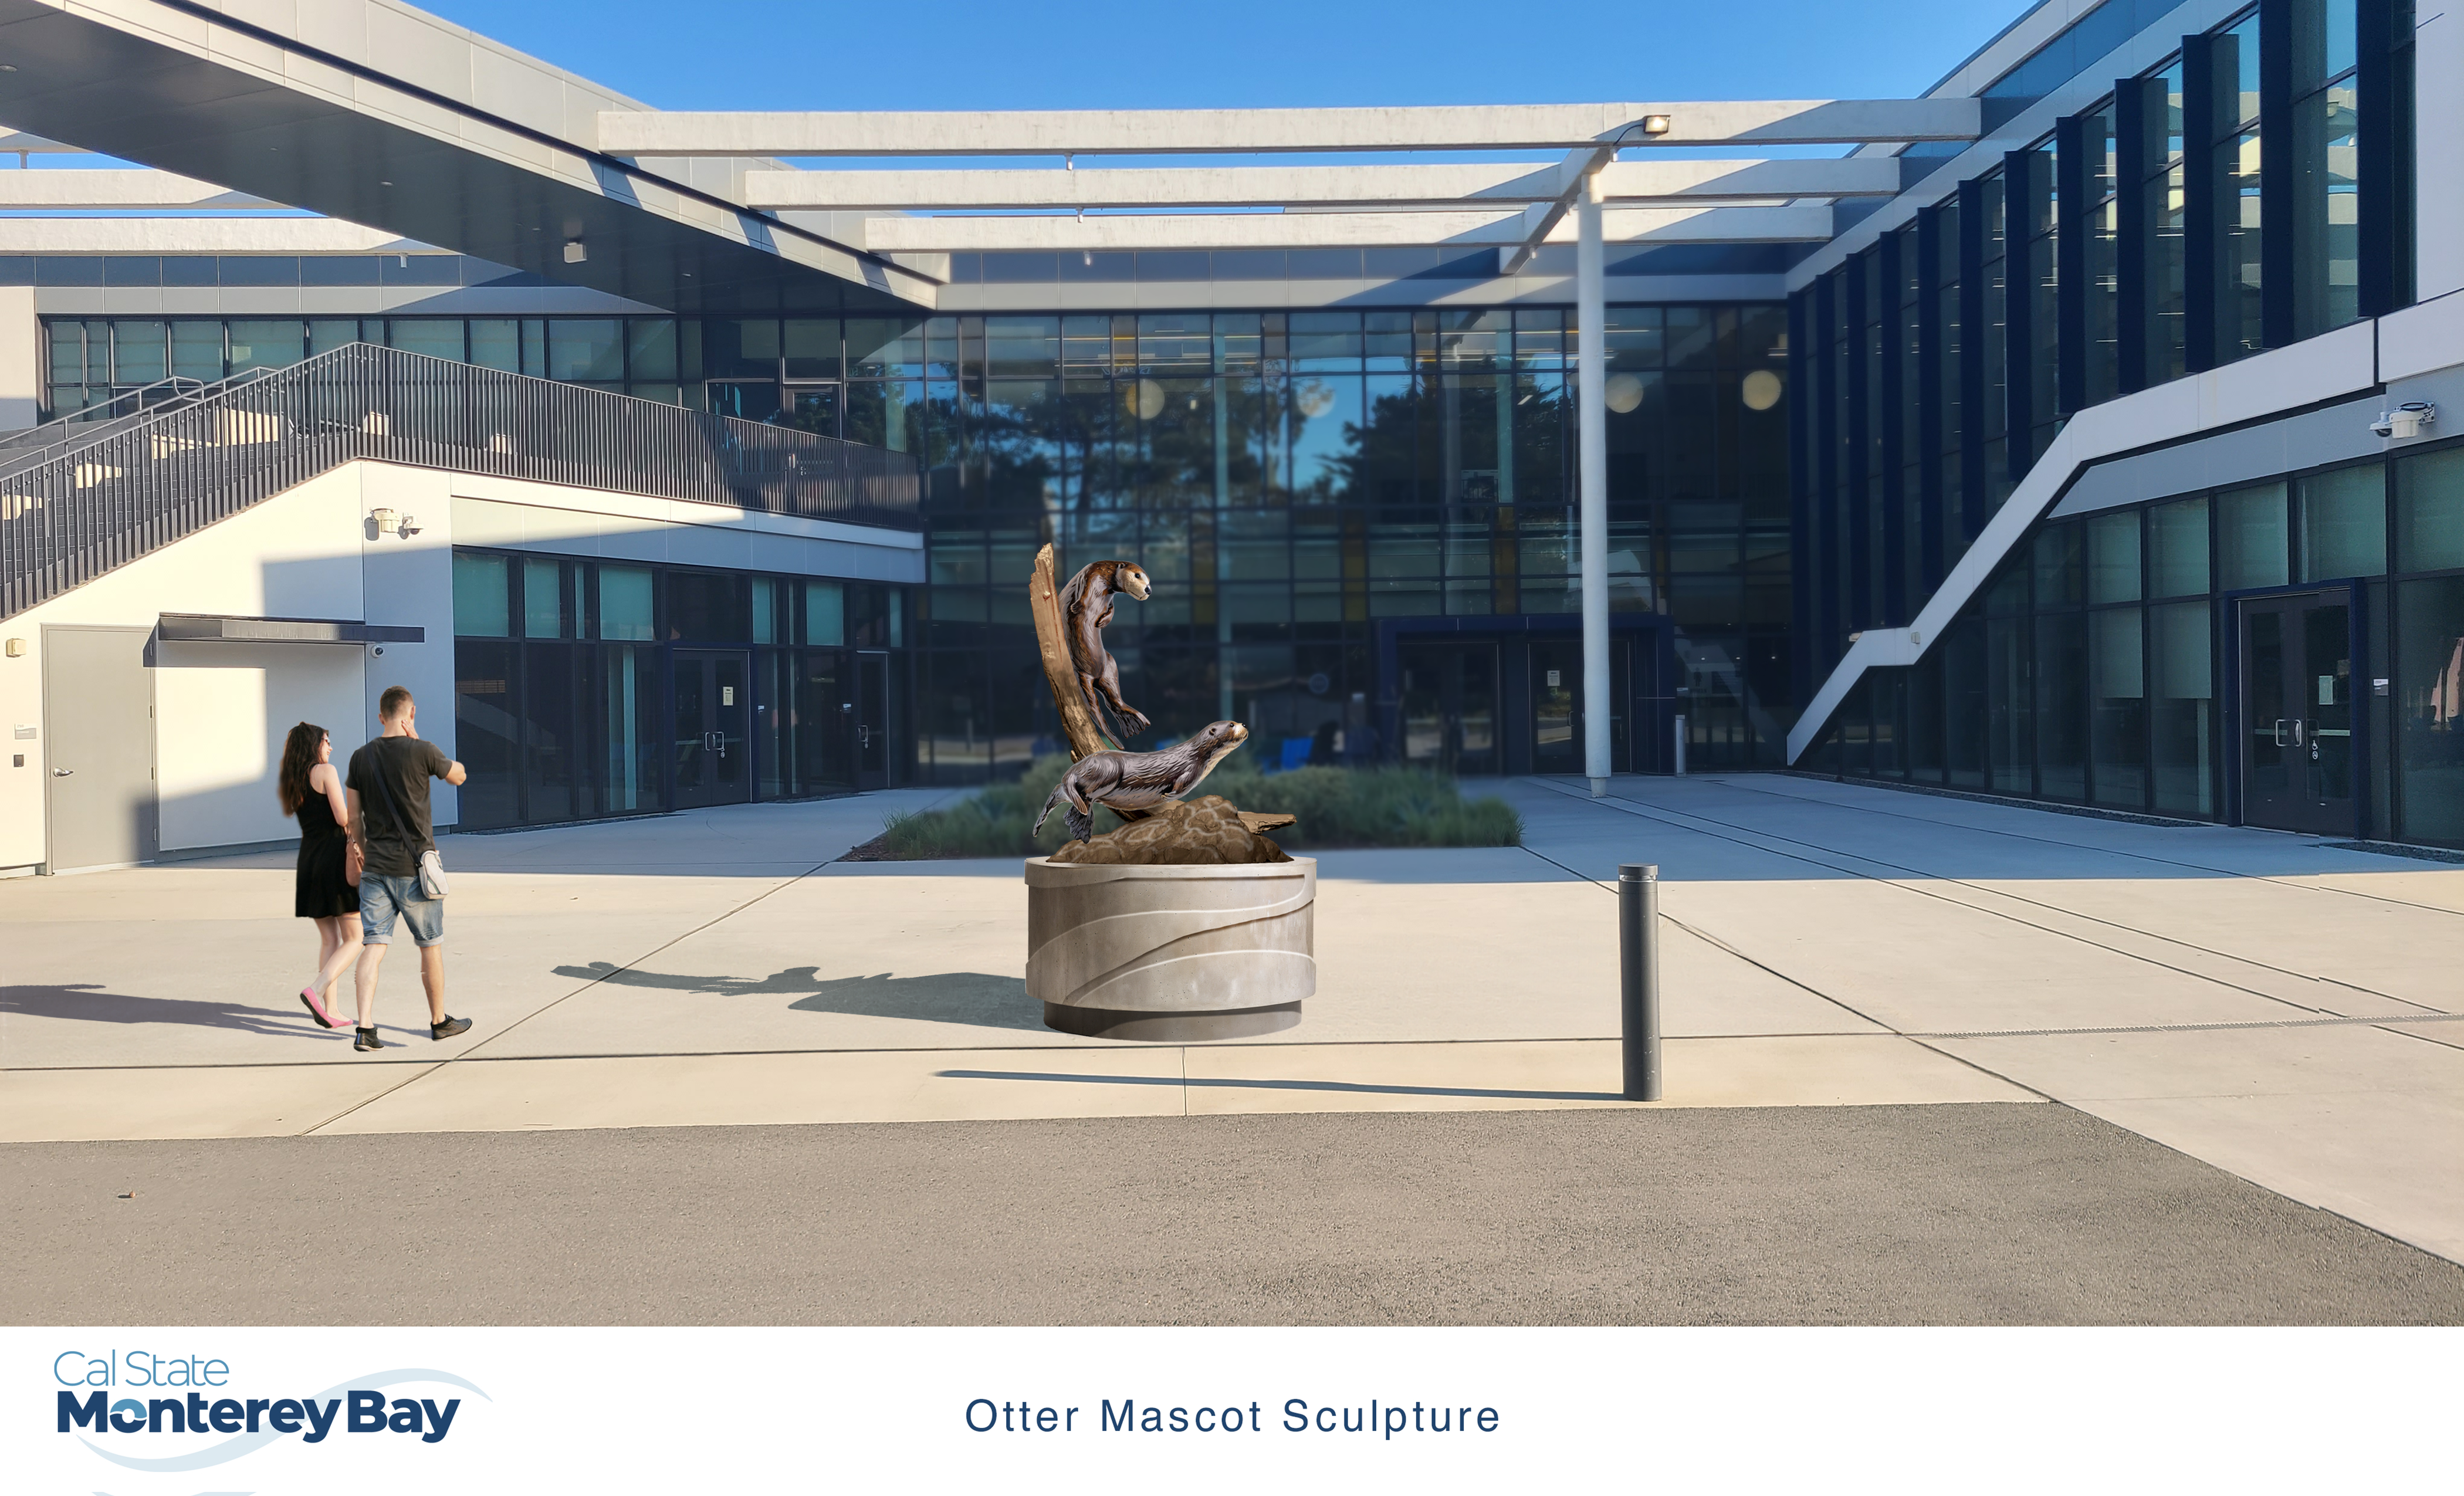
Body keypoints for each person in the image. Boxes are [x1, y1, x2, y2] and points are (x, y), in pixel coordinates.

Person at [345, 685, 472, 1052]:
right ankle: (439, 1021)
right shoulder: (423, 751)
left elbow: (354, 818)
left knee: (373, 945)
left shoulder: (360, 757)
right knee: (430, 946)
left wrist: (363, 851)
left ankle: (365, 1028)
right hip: (417, 869)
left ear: (382, 716)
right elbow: (459, 776)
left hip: (375, 869)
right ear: (411, 714)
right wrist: (421, 743)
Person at [277, 722, 359, 1030]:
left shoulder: (294, 779)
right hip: (334, 859)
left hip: (310, 860)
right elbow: (342, 818)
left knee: (329, 939)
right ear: (314, 744)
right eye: (326, 741)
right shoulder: (326, 772)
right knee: (356, 937)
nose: (330, 747)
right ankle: (317, 989)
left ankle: (332, 1010)